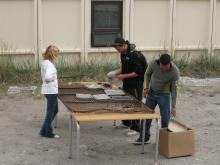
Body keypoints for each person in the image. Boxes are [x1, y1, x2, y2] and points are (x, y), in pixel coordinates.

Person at [134, 53, 180, 144]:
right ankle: (144, 137)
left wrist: (174, 106)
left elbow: (174, 90)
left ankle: (164, 141)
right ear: (159, 62)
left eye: (165, 66)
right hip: (151, 93)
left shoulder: (175, 72)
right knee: (146, 115)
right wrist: (146, 87)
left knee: (165, 119)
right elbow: (147, 74)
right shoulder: (153, 64)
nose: (163, 68)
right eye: (162, 66)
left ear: (169, 63)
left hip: (164, 95)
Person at [111, 37, 148, 136]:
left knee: (135, 104)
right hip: (127, 83)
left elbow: (138, 72)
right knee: (125, 102)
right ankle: (126, 122)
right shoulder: (123, 53)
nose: (117, 51)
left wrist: (123, 76)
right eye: (116, 50)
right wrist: (115, 73)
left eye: (118, 49)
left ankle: (136, 128)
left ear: (124, 45)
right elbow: (124, 68)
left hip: (136, 84)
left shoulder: (134, 55)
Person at [40, 45, 60, 138]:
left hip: (47, 90)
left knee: (54, 110)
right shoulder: (49, 65)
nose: (57, 55)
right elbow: (48, 77)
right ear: (52, 54)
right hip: (51, 90)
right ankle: (48, 132)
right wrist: (53, 78)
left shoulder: (45, 62)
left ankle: (43, 130)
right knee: (51, 111)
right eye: (56, 53)